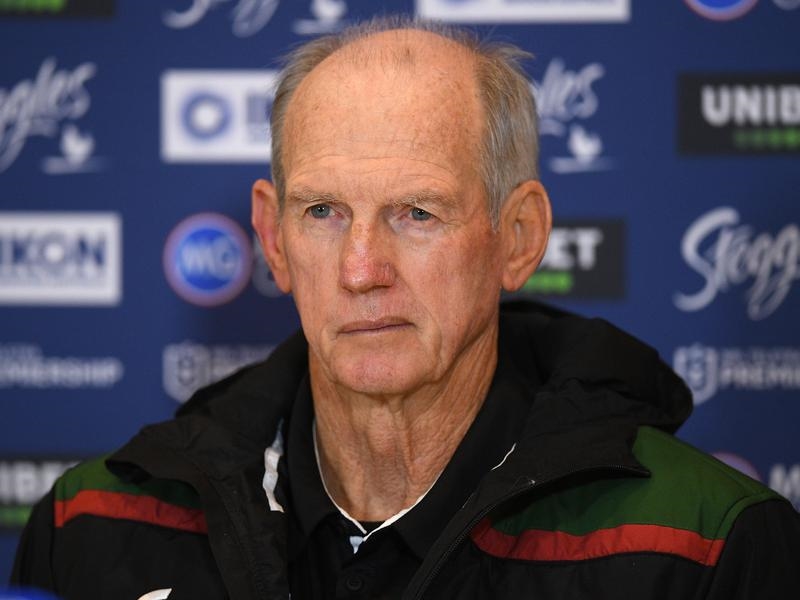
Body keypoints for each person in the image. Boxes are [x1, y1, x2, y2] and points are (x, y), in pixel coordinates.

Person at [11, 16, 800, 600]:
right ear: (273, 239)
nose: (362, 271)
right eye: (323, 212)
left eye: (417, 213)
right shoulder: (97, 526)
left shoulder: (699, 547)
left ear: (519, 236)